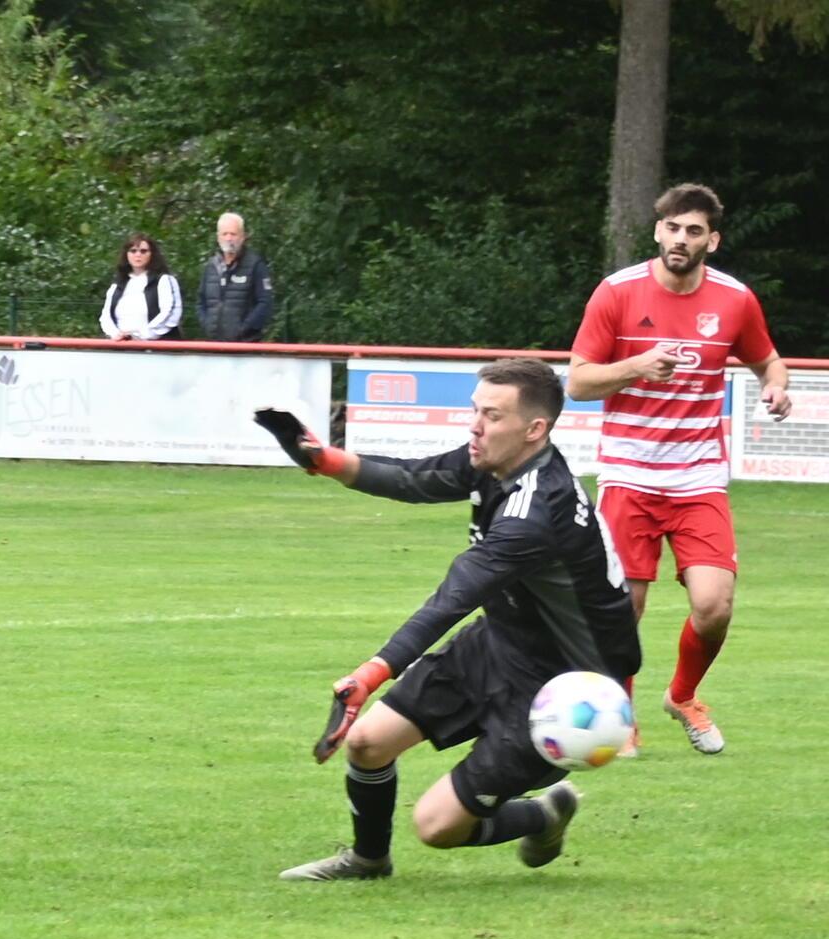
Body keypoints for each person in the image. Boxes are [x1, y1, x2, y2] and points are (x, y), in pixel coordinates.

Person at [256, 358, 641, 882]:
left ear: (535, 430)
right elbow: (417, 477)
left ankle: (543, 813)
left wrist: (369, 674)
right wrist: (325, 460)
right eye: (475, 411)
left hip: (566, 688)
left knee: (436, 826)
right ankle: (368, 861)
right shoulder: (498, 461)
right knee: (368, 744)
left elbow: (453, 597)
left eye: (492, 416)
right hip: (502, 641)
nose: (475, 427)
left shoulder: (537, 512)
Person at [566, 183, 790, 757]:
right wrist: (637, 366)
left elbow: (767, 358)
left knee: (714, 606)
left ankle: (683, 695)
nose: (681, 239)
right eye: (673, 228)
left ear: (711, 240)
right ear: (657, 232)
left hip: (698, 478)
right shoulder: (617, 293)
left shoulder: (735, 299)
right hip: (628, 473)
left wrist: (777, 386)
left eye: (694, 231)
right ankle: (620, 717)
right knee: (625, 608)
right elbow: (580, 381)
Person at [196, 212, 274, 342]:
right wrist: (208, 325)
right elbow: (200, 301)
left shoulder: (255, 264)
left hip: (246, 345)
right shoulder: (211, 266)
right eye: (224, 234)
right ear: (218, 237)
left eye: (233, 234)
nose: (229, 238)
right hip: (215, 344)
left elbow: (265, 303)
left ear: (243, 237)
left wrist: (243, 329)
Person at [98, 233, 183, 341]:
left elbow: (170, 314)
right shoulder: (117, 285)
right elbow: (106, 317)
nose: (138, 255)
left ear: (152, 254)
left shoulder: (164, 280)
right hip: (122, 347)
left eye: (143, 251)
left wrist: (139, 336)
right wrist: (116, 335)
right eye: (133, 251)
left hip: (157, 349)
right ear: (126, 254)